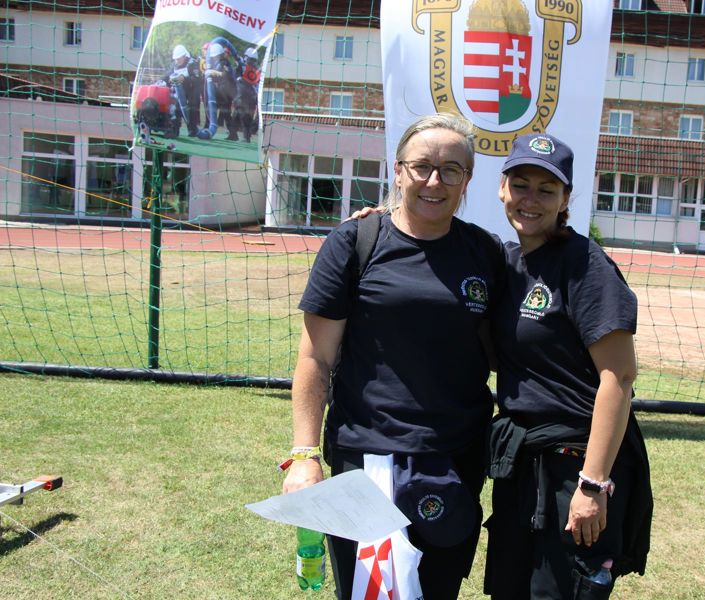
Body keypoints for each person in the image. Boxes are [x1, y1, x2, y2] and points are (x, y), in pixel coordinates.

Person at [282, 113, 504, 600]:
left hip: (456, 459)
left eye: (451, 170)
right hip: (368, 459)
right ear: (399, 171)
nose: (434, 181)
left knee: (438, 591)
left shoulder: (485, 253)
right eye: (422, 166)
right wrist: (304, 454)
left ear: (467, 180)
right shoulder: (355, 242)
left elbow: (500, 349)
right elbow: (315, 358)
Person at [484, 133, 652, 599]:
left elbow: (619, 377)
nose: (530, 199)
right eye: (521, 185)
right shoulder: (507, 263)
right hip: (523, 460)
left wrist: (593, 484)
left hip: (574, 465)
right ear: (502, 188)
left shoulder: (585, 265)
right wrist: (380, 216)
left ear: (565, 200)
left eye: (546, 189)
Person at [161, 44, 202, 137]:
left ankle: (193, 129)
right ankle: (174, 130)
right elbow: (167, 76)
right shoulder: (174, 65)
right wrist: (161, 81)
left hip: (191, 92)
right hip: (178, 93)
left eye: (178, 59)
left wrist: (184, 78)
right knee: (174, 108)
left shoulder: (193, 64)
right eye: (175, 59)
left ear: (184, 56)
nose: (177, 61)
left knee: (192, 109)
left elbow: (197, 79)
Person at [232, 46, 261, 143]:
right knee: (237, 115)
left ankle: (245, 136)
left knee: (245, 116)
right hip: (245, 95)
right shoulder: (253, 69)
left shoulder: (252, 70)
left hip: (246, 96)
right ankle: (233, 134)